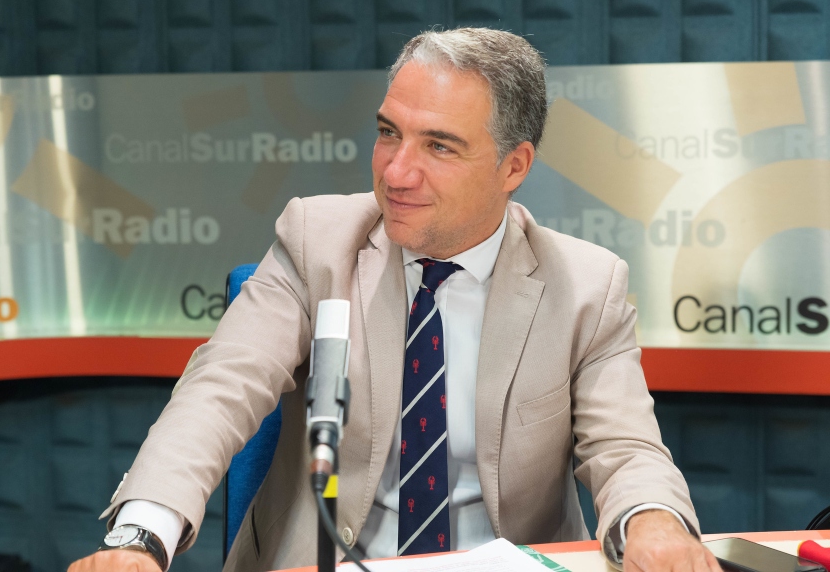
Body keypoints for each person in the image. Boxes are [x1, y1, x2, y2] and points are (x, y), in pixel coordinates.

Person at [69, 28, 722, 572]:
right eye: (389, 133)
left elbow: (625, 448)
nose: (396, 171)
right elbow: (220, 390)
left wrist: (653, 522)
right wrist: (141, 537)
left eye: (439, 146)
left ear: (514, 166)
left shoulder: (586, 286)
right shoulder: (317, 240)